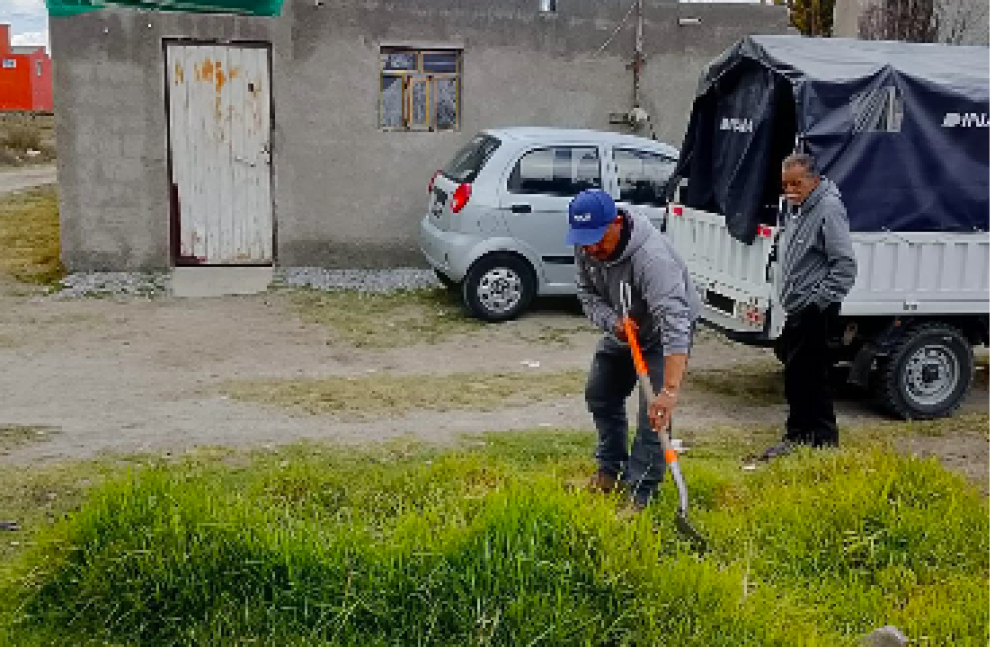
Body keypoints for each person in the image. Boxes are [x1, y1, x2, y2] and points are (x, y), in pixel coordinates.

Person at [567, 188, 701, 510]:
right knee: (600, 393)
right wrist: (613, 322)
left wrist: (669, 391)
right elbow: (586, 295)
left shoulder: (652, 258)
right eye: (585, 241)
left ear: (616, 222)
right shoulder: (587, 246)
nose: (591, 249)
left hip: (662, 334)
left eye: (598, 239)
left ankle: (642, 493)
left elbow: (675, 324)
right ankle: (610, 472)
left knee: (653, 414)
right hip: (624, 327)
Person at [759, 153, 857, 461]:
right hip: (798, 308)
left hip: (815, 311)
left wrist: (817, 304)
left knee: (807, 378)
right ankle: (815, 440)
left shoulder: (828, 208)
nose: (789, 190)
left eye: (796, 184)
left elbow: (845, 266)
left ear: (814, 180)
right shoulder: (799, 208)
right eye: (785, 184)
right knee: (802, 377)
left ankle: (807, 439)